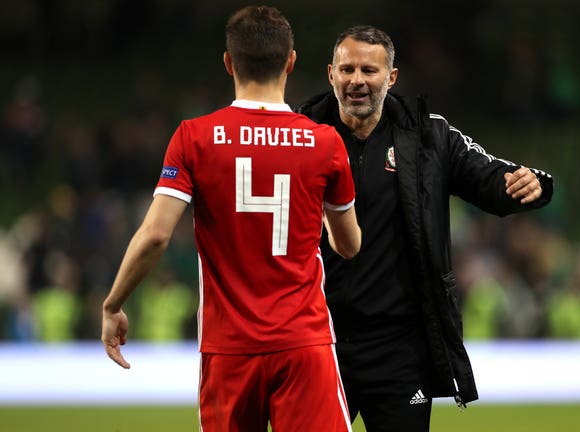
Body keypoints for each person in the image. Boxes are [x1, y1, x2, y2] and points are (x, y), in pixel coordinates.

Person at [101, 6, 361, 432]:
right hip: (302, 342)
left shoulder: (195, 136)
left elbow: (154, 236)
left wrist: (114, 304)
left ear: (229, 62)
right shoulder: (324, 142)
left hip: (227, 349)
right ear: (291, 62)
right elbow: (348, 245)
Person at [297, 25, 554, 431]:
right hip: (318, 341)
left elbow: (489, 179)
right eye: (347, 70)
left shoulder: (428, 135)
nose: (357, 81)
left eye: (369, 70)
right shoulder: (299, 135)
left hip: (400, 349)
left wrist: (533, 183)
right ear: (331, 74)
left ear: (392, 78)